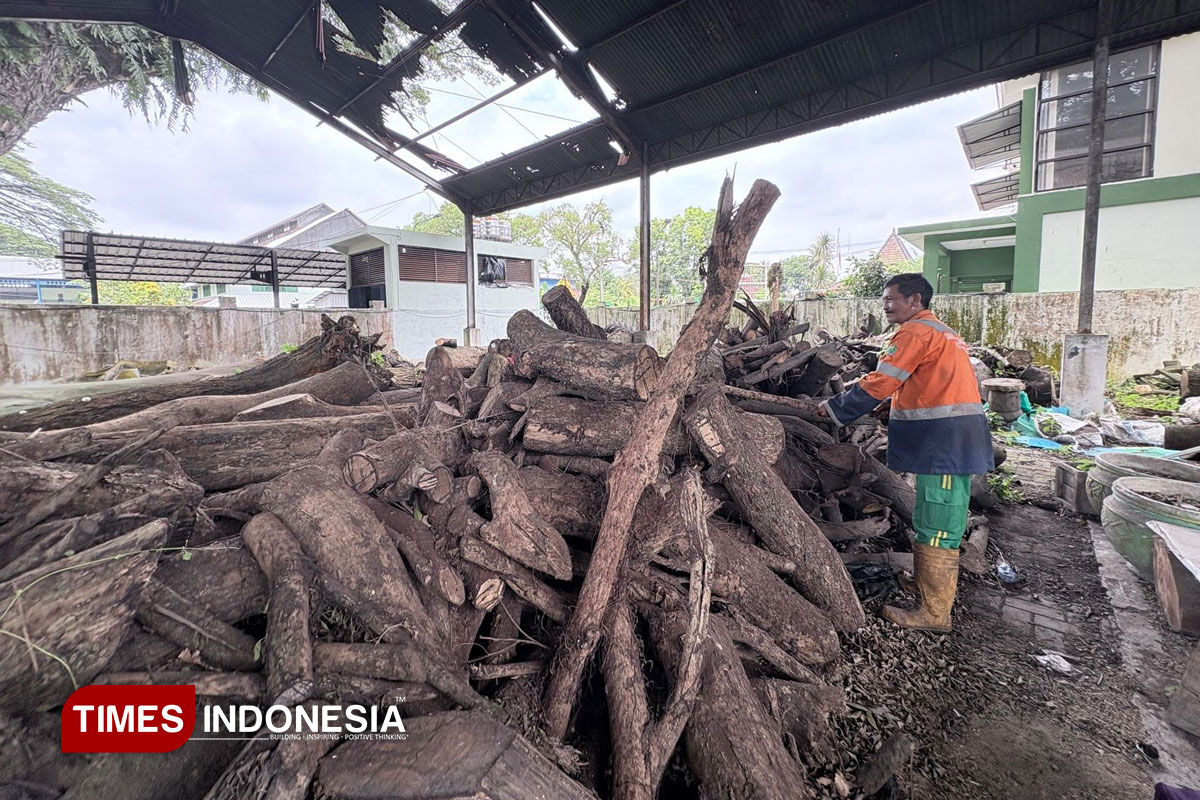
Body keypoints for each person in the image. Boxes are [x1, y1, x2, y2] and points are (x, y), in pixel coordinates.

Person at [815, 273, 993, 632]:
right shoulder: (941, 332)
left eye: (890, 298)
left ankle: (934, 612)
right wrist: (894, 405)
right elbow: (929, 382)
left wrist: (835, 408)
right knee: (932, 514)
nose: (884, 304)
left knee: (940, 522)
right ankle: (927, 586)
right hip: (949, 438)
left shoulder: (914, 332)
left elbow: (884, 379)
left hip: (944, 441)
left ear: (915, 300)